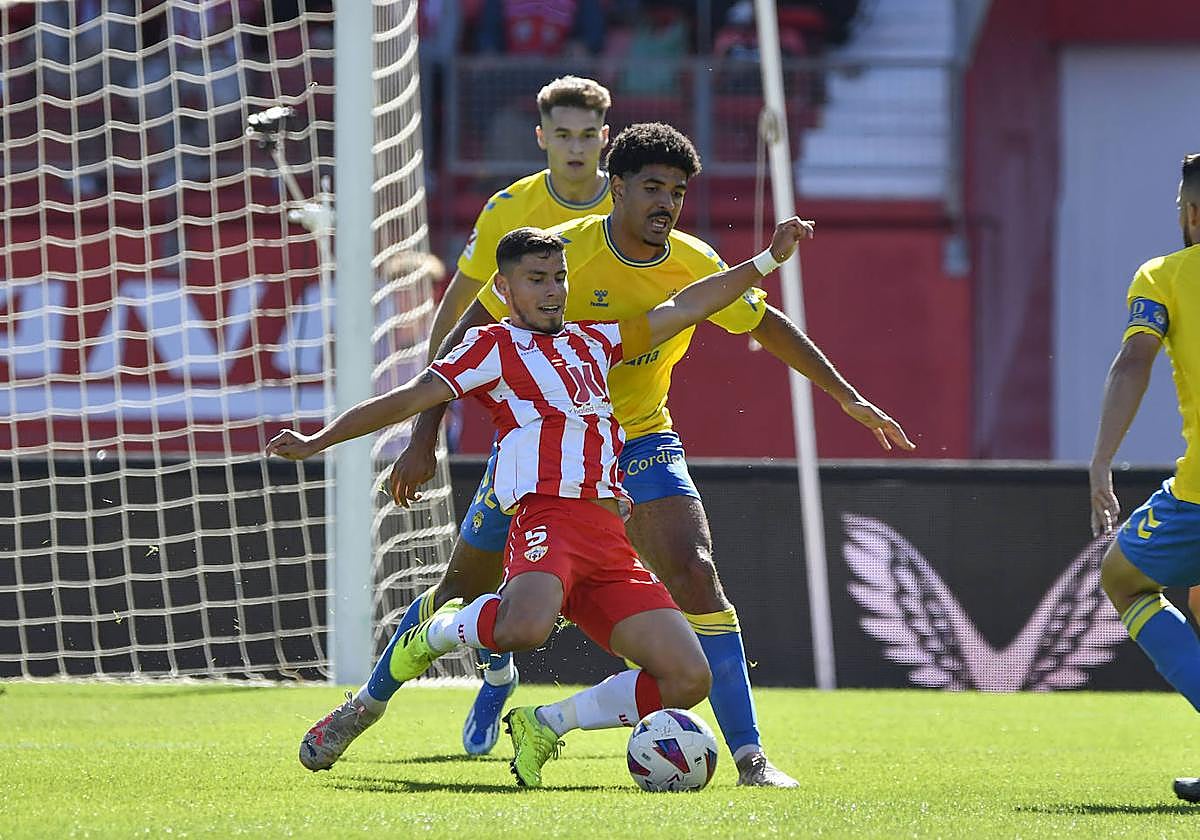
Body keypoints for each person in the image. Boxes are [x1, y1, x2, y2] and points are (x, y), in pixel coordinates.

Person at [371, 122, 914, 788]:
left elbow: (764, 323)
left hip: (642, 439)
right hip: (542, 454)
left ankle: (749, 756)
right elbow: (465, 339)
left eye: (678, 192)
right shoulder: (557, 257)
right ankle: (371, 703)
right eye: (652, 187)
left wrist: (847, 398)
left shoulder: (692, 261)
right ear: (617, 188)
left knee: (696, 571)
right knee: (464, 590)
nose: (665, 202)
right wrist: (423, 437)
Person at [270, 220, 813, 786]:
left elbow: (685, 306)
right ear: (504, 289)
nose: (553, 290)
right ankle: (428, 638)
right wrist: (317, 441)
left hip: (609, 536)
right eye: (536, 279)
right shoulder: (491, 346)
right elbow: (409, 396)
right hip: (547, 517)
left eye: (559, 277)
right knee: (524, 629)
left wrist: (766, 261)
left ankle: (546, 723)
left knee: (687, 677)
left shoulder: (596, 340)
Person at [1088, 153, 1200, 805]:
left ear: (1189, 214)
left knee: (1122, 577)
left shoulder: (1163, 275)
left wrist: (1102, 460)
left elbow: (1135, 361)